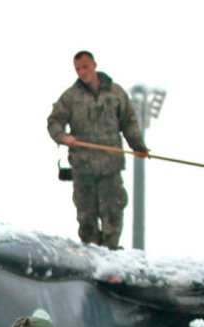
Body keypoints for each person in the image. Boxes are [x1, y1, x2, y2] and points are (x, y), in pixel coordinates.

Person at [47, 50, 149, 250]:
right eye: (77, 69)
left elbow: (128, 121)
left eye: (85, 67)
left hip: (110, 166)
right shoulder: (70, 97)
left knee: (113, 214)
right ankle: (92, 257)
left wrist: (138, 146)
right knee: (86, 218)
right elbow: (54, 121)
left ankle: (111, 255)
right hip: (83, 169)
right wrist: (63, 137)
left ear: (94, 65)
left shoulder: (116, 93)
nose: (82, 72)